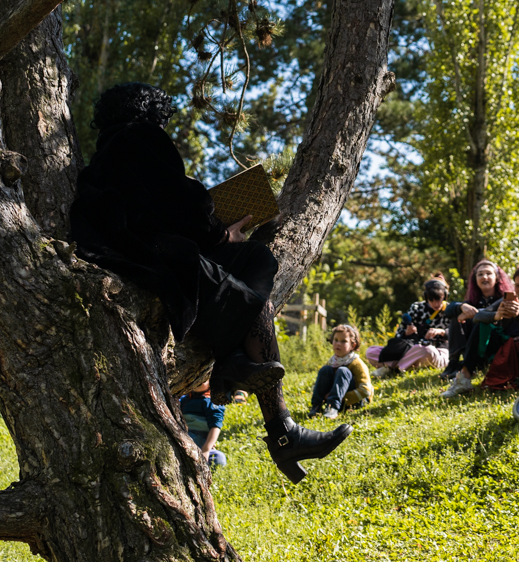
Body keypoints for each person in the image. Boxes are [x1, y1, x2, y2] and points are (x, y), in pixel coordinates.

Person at [69, 83, 349, 484]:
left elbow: (155, 206)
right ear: (150, 112)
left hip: (150, 252)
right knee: (252, 291)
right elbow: (177, 202)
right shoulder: (139, 135)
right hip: (153, 258)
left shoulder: (105, 154)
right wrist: (219, 233)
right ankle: (279, 426)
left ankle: (236, 367)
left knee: (255, 264)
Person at [441, 263, 519, 397]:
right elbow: (479, 316)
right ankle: (464, 378)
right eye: (517, 286)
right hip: (508, 352)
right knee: (481, 325)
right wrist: (496, 315)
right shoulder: (508, 300)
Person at [367, 275, 459, 377]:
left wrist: (441, 332)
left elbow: (457, 335)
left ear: (445, 296)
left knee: (428, 351)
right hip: (411, 349)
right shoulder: (416, 307)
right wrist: (406, 333)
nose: (436, 303)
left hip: (435, 351)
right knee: (371, 351)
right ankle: (404, 365)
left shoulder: (450, 309)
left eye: (438, 299)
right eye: (431, 300)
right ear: (426, 297)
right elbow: (399, 334)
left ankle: (390, 367)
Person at [444, 260, 513, 378]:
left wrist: (475, 314)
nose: (484, 277)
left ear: (496, 278)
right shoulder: (472, 302)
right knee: (456, 317)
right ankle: (454, 363)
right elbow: (448, 311)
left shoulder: (504, 298)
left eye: (488, 273)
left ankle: (473, 366)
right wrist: (461, 306)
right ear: (475, 280)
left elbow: (490, 313)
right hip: (472, 347)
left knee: (481, 322)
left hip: (494, 346)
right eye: (480, 274)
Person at [310, 325, 373, 418]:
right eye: (336, 340)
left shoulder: (356, 363)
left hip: (353, 401)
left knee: (343, 371)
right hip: (334, 398)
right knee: (325, 370)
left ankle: (332, 408)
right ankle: (316, 406)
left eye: (343, 341)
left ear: (353, 345)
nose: (338, 344)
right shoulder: (332, 361)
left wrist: (342, 398)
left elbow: (365, 390)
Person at [179, 381, 227, 467]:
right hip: (185, 436)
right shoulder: (184, 399)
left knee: (219, 458)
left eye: (204, 379)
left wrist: (206, 449)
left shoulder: (212, 401)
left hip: (202, 442)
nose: (198, 381)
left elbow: (216, 426)